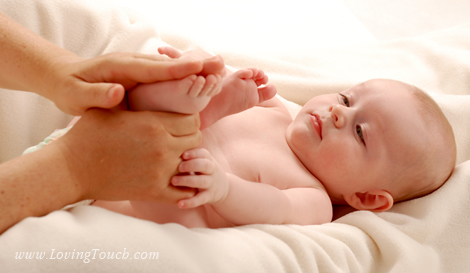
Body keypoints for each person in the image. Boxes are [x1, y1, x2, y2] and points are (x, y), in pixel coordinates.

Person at [46, 47, 457, 228]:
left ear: (366, 198)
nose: (337, 111)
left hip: (165, 199)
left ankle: (182, 106)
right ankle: (187, 93)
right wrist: (231, 87)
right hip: (103, 155)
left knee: (177, 179)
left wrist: (224, 189)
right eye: (347, 98)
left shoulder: (312, 199)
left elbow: (274, 207)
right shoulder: (276, 110)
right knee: (170, 116)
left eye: (360, 131)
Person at [0, 12, 226, 234]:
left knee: (178, 211)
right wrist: (75, 167)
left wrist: (57, 72)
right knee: (179, 214)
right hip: (62, 176)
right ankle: (163, 96)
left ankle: (158, 97)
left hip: (62, 161)